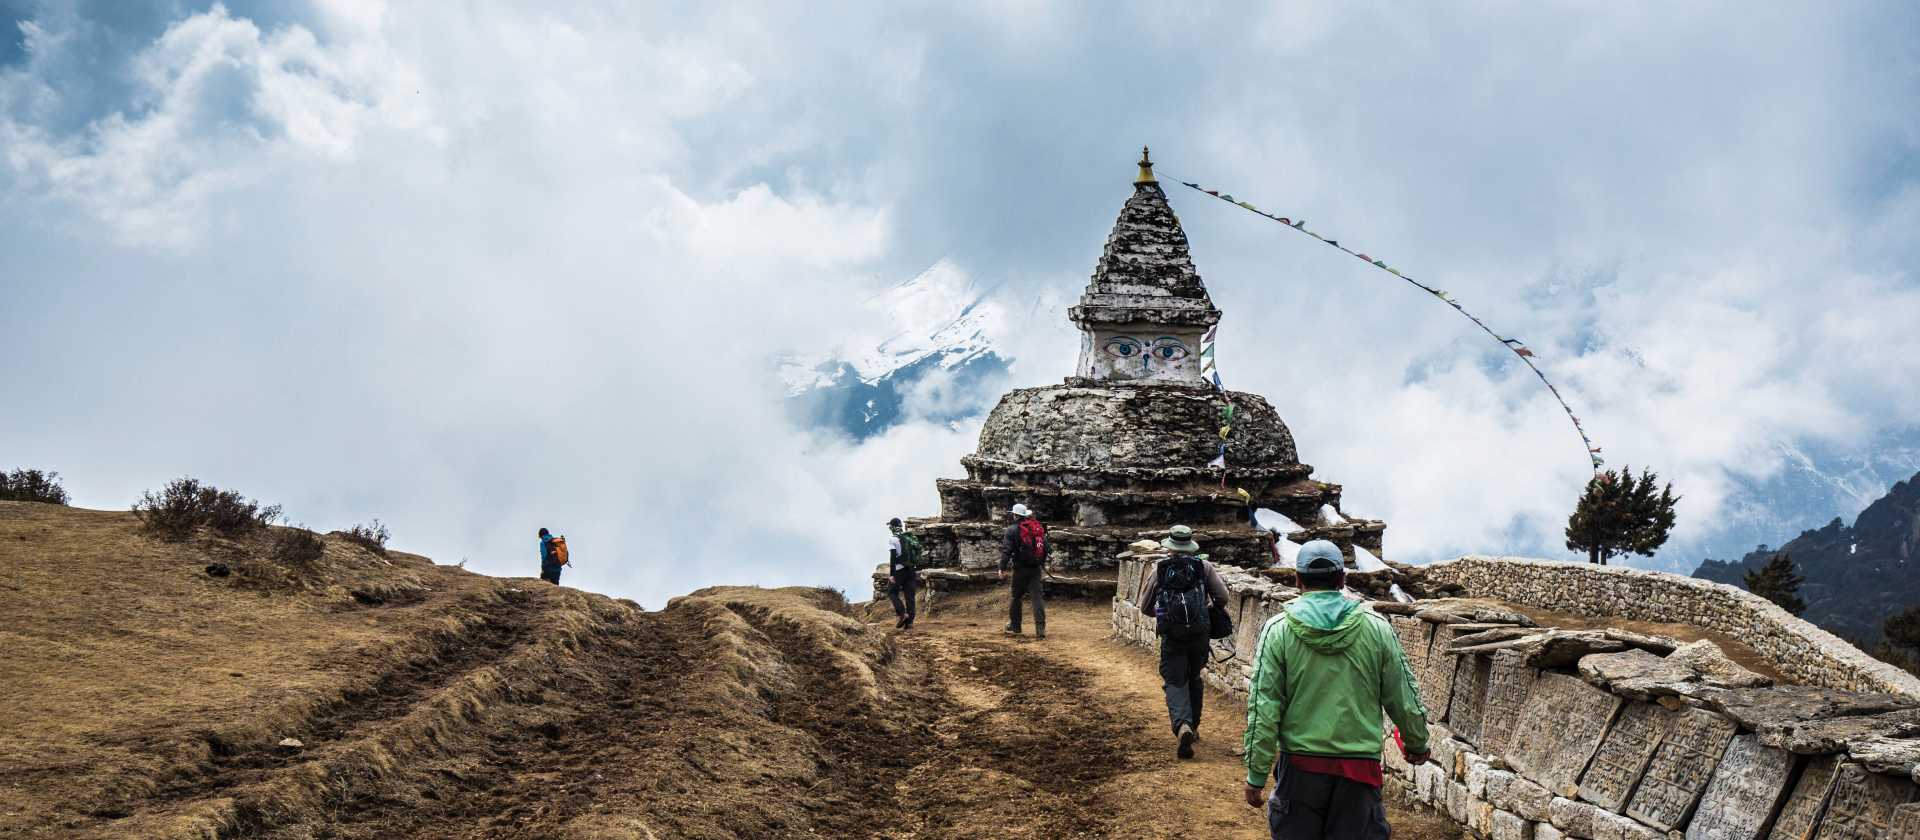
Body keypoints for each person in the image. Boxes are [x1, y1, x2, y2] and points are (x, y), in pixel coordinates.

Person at [1242, 540, 1433, 840]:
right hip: (1359, 772)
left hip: (1300, 770)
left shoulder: (1277, 631)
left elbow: (1263, 708)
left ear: (1297, 580)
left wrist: (1256, 775)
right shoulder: (1377, 628)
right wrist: (1417, 743)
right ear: (1342, 579)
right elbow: (1403, 696)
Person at [1134, 524, 1231, 759]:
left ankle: (1182, 725)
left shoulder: (1160, 569)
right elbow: (1223, 597)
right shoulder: (1203, 567)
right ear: (1190, 545)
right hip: (1199, 633)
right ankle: (1194, 726)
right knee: (1194, 676)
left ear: (1170, 546)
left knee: (1175, 679)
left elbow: (1146, 607)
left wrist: (1166, 615)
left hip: (1172, 635)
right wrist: (1203, 610)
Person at [999, 503, 1048, 639]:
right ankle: (1040, 630)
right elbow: (1046, 547)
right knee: (1037, 598)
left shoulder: (1012, 530)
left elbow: (1006, 551)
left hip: (1020, 569)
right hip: (1036, 568)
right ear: (1026, 515)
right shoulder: (1036, 527)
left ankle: (1016, 626)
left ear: (1015, 515)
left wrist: (1001, 568)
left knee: (1016, 597)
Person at [886, 517, 921, 629]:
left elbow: (893, 557)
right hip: (911, 569)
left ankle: (902, 614)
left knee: (891, 591)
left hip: (899, 570)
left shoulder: (893, 539)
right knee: (910, 596)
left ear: (892, 527)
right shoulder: (908, 537)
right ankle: (909, 623)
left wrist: (892, 574)